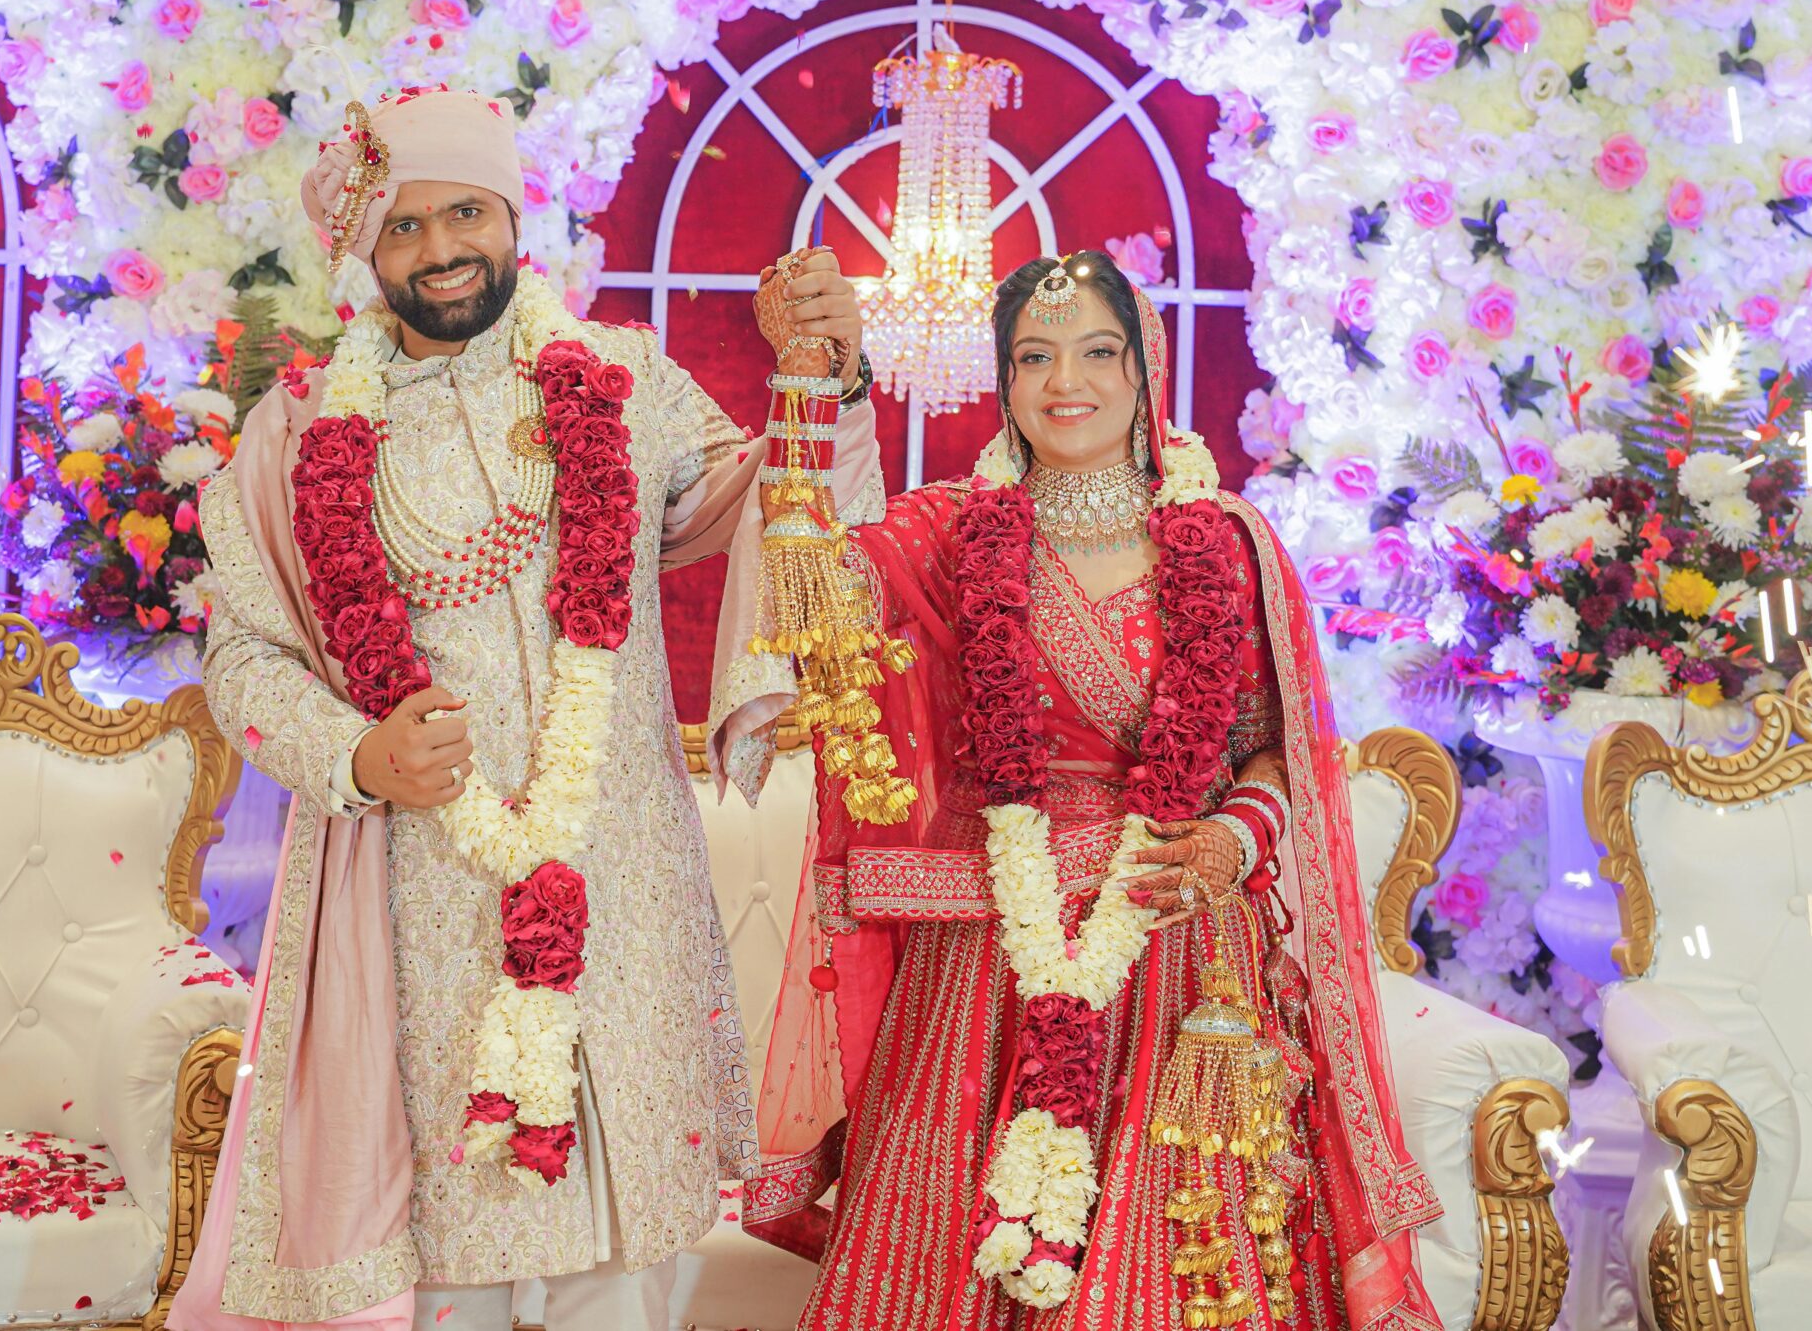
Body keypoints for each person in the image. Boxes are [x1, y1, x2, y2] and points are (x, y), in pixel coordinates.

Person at [173, 87, 880, 1331]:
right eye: (403, 227)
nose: (441, 248)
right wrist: (358, 754)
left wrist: (828, 377)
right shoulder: (295, 438)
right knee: (454, 1257)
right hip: (424, 899)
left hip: (625, 889)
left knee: (626, 1270)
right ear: (365, 253)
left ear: (511, 218)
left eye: (466, 213)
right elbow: (241, 660)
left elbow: (773, 512)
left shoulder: (623, 381)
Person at [730, 252, 1441, 1330]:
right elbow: (806, 587)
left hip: (1175, 940)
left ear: (1145, 369)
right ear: (1006, 382)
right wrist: (814, 381)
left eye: (1097, 351)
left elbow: (1272, 750)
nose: (1066, 381)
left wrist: (1232, 841)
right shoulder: (949, 531)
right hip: (986, 958)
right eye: (1034, 357)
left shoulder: (1228, 541)